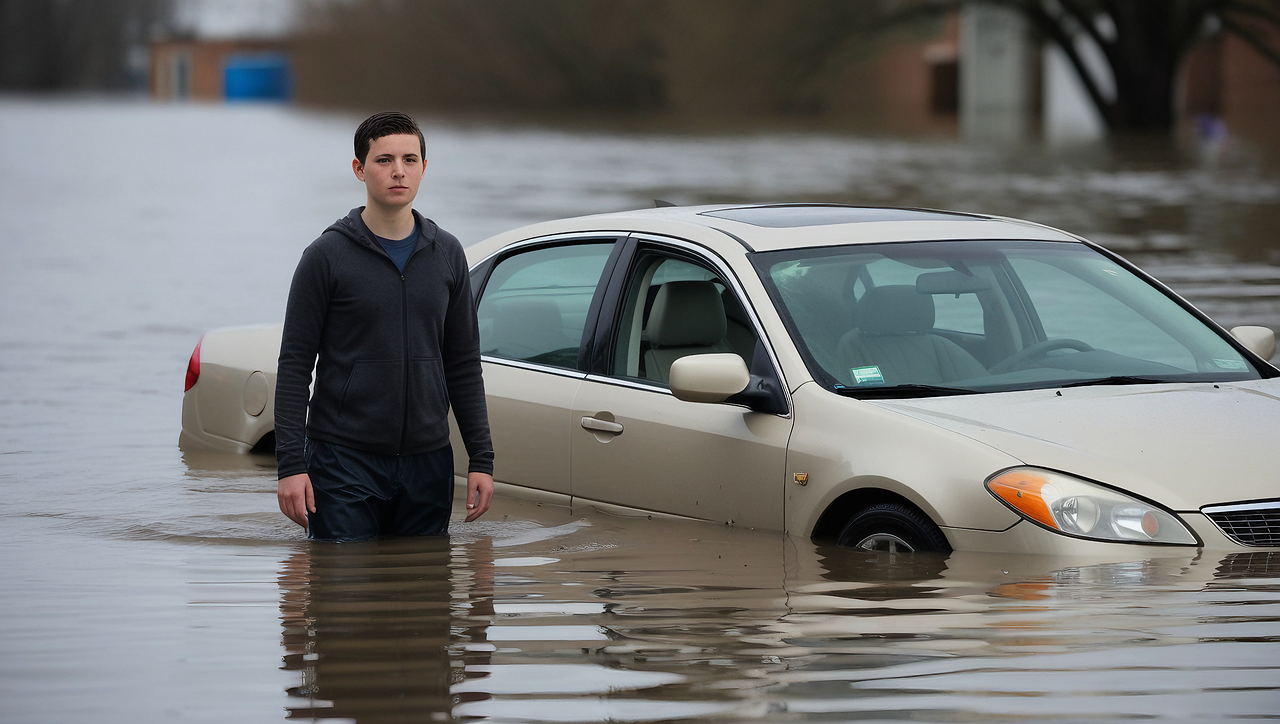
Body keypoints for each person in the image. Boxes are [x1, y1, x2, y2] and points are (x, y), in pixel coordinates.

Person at [274, 111, 494, 541]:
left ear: (424, 169)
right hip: (342, 460)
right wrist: (291, 467)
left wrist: (481, 459)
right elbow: (296, 366)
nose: (398, 171)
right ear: (359, 169)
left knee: (426, 597)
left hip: (428, 462)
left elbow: (464, 365)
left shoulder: (447, 254)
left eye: (410, 160)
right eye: (384, 160)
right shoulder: (325, 256)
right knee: (343, 597)